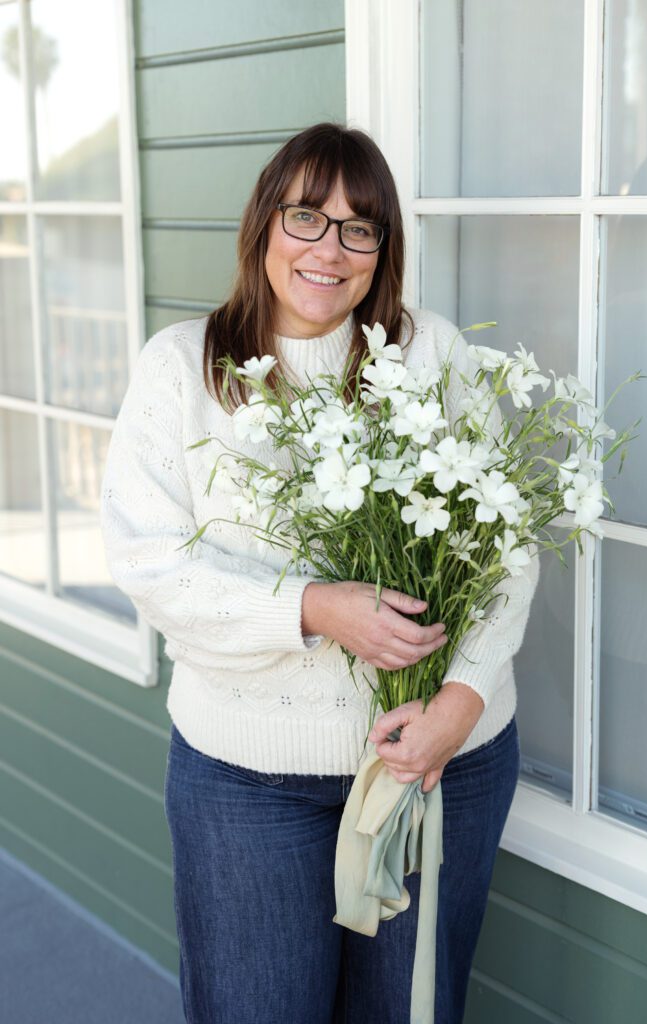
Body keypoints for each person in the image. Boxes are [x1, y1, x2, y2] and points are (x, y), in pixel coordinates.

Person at [100, 122, 539, 1024]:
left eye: (359, 228)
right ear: (264, 224)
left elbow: (507, 549)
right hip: (249, 782)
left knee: (411, 1013)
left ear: (383, 251)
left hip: (437, 762)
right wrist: (312, 607)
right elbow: (149, 563)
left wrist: (456, 704)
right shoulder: (183, 369)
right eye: (306, 217)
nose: (328, 250)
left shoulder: (431, 359)